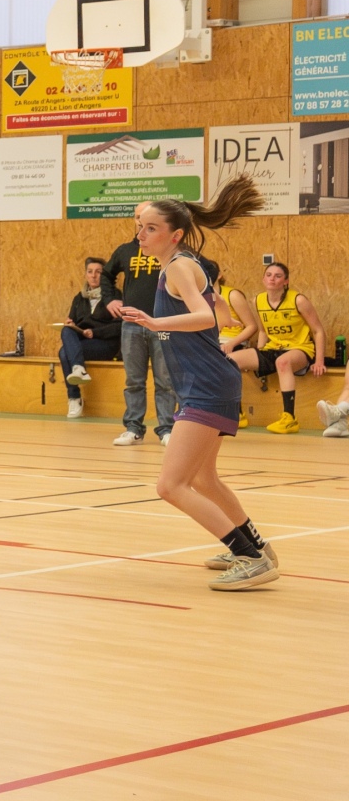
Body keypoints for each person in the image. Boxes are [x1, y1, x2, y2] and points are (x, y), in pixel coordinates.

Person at [119, 179, 280, 590]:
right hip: (209, 380)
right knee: (205, 480)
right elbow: (220, 314)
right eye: (139, 226)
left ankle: (250, 558)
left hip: (206, 384)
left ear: (174, 235)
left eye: (150, 228)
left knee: (170, 485)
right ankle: (257, 548)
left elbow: (207, 318)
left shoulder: (178, 266)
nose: (141, 234)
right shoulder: (182, 264)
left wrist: (156, 321)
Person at [101, 207, 177, 446]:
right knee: (134, 381)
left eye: (148, 220)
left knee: (165, 381)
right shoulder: (125, 250)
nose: (142, 223)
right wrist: (110, 299)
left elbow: (208, 268)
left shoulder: (169, 249)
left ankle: (167, 429)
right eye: (138, 218)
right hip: (132, 325)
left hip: (162, 324)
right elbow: (106, 275)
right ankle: (133, 428)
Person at [228, 262, 326, 434]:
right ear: (263, 279)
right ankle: (237, 414)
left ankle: (289, 418)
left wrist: (319, 361)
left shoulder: (298, 300)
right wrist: (258, 354)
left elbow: (318, 330)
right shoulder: (258, 300)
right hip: (273, 347)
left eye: (278, 276)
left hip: (300, 348)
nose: (272, 279)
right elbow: (262, 331)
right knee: (230, 360)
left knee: (282, 362)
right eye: (269, 275)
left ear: (286, 281)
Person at [59, 256, 121, 419]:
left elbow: (120, 326)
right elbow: (72, 321)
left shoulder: (115, 296)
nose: (93, 276)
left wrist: (95, 333)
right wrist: (72, 325)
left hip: (106, 344)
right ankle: (78, 370)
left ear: (104, 275)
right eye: (90, 271)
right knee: (66, 330)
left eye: (98, 272)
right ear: (86, 274)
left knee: (64, 353)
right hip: (83, 342)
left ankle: (74, 397)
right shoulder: (79, 298)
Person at [214, 270, 259, 429]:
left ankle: (237, 412)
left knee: (221, 361)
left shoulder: (232, 295)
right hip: (212, 341)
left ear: (219, 275)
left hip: (232, 341)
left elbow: (252, 326)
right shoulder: (198, 296)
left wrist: (232, 343)